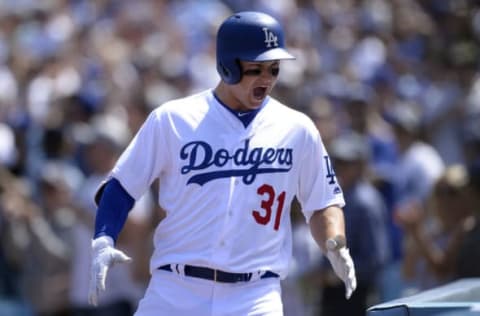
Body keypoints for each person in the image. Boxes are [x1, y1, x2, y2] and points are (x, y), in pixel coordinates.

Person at [87, 11, 356, 316]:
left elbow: (322, 201)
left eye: (274, 68)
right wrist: (103, 238)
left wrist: (336, 244)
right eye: (256, 68)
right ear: (227, 65)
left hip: (255, 295)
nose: (266, 78)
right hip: (176, 289)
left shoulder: (297, 128)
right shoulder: (173, 119)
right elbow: (122, 185)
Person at [318, 132, 390, 316]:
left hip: (358, 295)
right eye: (338, 162)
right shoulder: (339, 196)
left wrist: (337, 273)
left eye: (347, 163)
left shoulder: (366, 203)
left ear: (360, 165)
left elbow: (376, 259)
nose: (340, 168)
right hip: (335, 296)